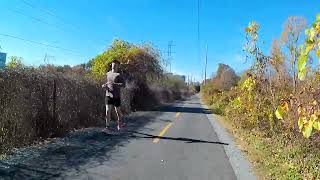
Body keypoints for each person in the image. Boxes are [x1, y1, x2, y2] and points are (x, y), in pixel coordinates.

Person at [102, 59, 125, 132]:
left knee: (117, 111)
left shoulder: (119, 75)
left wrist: (117, 85)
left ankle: (120, 123)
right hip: (108, 95)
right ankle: (107, 127)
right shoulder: (108, 73)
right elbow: (108, 82)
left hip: (116, 96)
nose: (114, 65)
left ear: (118, 66)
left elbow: (123, 85)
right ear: (111, 64)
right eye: (113, 63)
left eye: (116, 64)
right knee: (107, 111)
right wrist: (104, 85)